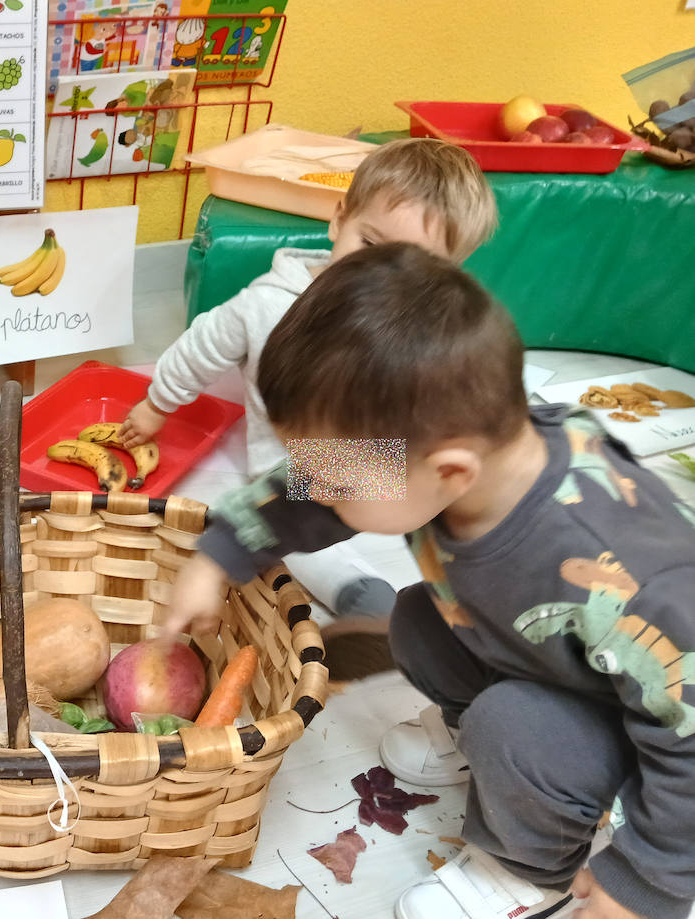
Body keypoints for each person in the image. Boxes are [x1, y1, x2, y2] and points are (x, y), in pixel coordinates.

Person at [166, 244, 695, 919]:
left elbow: (688, 735)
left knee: (513, 726)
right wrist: (221, 553)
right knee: (416, 618)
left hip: (649, 732)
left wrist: (642, 882)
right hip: (551, 661)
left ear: (448, 472)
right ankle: (492, 750)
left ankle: (528, 866)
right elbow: (309, 493)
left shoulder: (620, 569)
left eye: (338, 478)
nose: (319, 487)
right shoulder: (450, 448)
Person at [121, 137, 498, 678]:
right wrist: (157, 406)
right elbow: (199, 348)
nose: (379, 276)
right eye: (368, 242)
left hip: (393, 466)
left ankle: (446, 625)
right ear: (338, 217)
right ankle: (367, 598)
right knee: (289, 537)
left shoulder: (431, 331)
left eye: (414, 267)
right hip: (297, 467)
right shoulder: (270, 304)